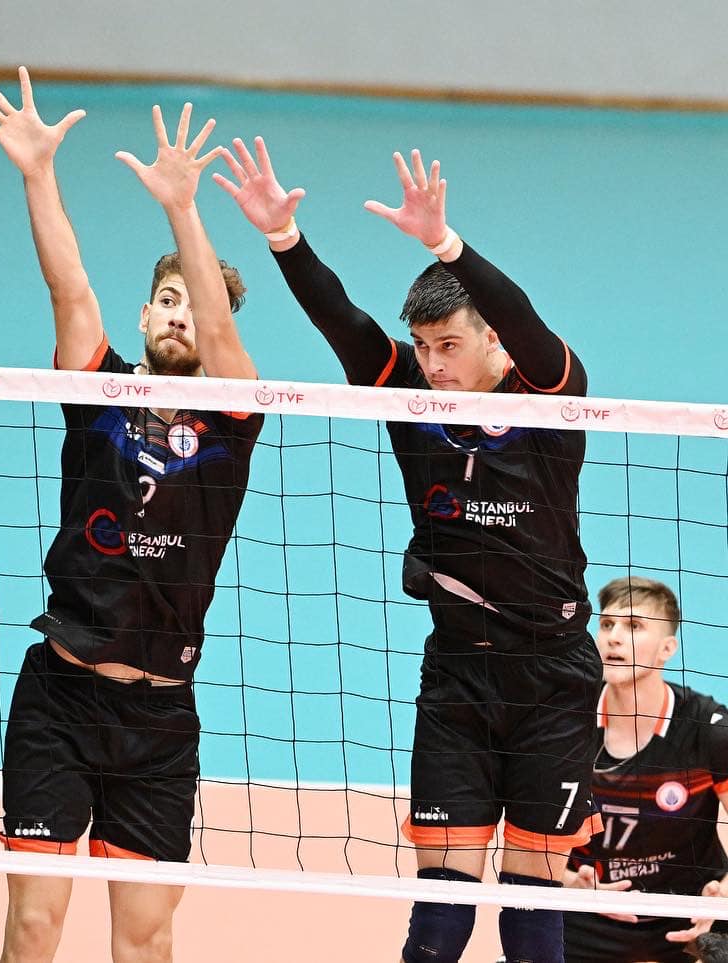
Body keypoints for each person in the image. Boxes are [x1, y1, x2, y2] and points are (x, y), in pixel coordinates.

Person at [215, 136, 601, 962]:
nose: (432, 365)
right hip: (458, 677)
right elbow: (343, 321)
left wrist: (446, 244)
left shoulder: (551, 396)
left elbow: (525, 318)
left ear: (494, 343)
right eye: (422, 347)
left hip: (555, 681)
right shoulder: (410, 398)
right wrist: (283, 236)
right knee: (439, 922)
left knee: (532, 911)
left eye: (448, 345)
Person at [0, 69, 264, 963]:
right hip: (60, 698)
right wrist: (37, 173)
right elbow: (69, 291)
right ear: (144, 314)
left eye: (196, 306)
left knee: (144, 938)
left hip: (160, 719)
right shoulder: (99, 393)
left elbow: (221, 338)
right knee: (33, 925)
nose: (180, 316)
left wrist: (183, 210)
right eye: (167, 300)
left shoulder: (233, 417)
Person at [561, 577, 728, 963]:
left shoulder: (708, 729)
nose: (614, 638)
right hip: (589, 906)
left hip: (692, 909)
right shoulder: (564, 721)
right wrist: (571, 884)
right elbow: (525, 847)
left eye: (634, 626)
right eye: (607, 624)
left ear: (667, 648)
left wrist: (723, 895)